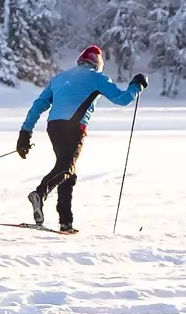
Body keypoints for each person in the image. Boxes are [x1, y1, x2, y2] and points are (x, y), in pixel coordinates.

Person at [16, 46, 147, 233]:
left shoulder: (60, 77)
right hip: (74, 126)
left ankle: (65, 222)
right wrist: (137, 85)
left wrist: (25, 133)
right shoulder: (96, 77)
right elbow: (122, 99)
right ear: (97, 63)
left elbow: (39, 104)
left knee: (68, 172)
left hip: (53, 126)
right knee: (66, 167)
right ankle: (39, 193)